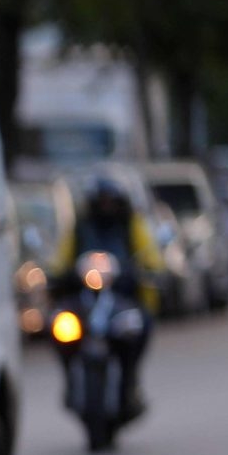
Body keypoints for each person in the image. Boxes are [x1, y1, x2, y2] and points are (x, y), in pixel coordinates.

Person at [52, 176, 162, 420]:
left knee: (139, 324)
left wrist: (148, 271)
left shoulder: (131, 225)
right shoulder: (80, 228)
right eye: (101, 202)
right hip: (85, 299)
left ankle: (130, 381)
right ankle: (70, 379)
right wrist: (56, 275)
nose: (106, 206)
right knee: (59, 323)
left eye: (110, 201)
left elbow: (150, 256)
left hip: (121, 297)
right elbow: (61, 260)